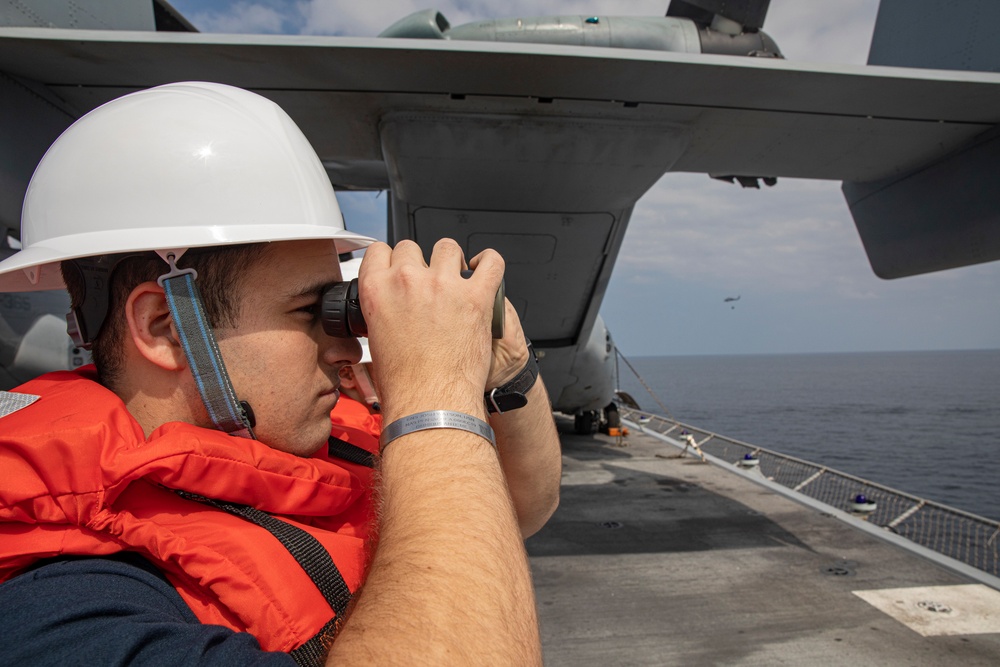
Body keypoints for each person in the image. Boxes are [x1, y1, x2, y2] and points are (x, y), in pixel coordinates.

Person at [0, 82, 561, 665]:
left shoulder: (296, 445)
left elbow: (515, 506)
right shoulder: (67, 610)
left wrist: (506, 367)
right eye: (307, 311)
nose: (347, 352)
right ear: (165, 325)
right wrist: (433, 393)